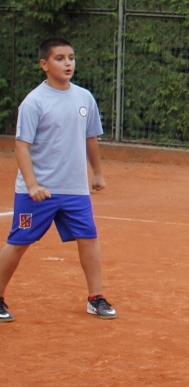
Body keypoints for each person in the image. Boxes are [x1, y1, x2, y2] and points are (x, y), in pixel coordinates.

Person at [0, 37, 114, 323]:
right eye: (60, 58)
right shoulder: (34, 102)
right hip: (38, 191)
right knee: (18, 242)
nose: (68, 63)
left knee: (88, 239)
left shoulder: (84, 98)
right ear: (44, 64)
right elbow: (21, 146)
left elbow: (91, 138)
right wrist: (32, 184)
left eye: (71, 58)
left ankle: (96, 297)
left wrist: (97, 172)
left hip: (75, 190)